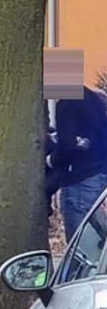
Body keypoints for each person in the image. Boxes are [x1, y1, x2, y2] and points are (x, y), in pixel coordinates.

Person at [48, 86, 107, 240]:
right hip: (97, 175)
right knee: (94, 240)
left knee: (78, 246)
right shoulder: (94, 99)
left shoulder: (67, 103)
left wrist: (51, 160)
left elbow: (67, 146)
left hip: (79, 180)